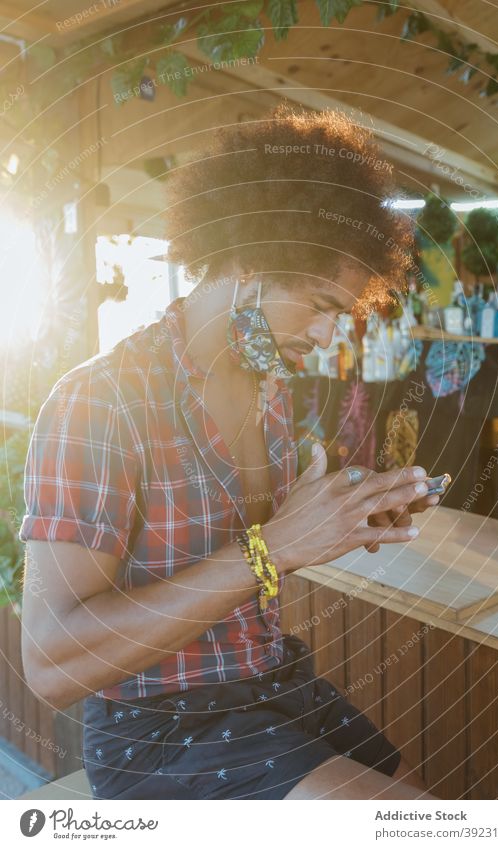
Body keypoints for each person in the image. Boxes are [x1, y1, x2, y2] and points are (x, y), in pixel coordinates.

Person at [19, 105, 439, 800]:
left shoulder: (268, 389)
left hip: (272, 682)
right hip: (156, 731)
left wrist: (343, 516)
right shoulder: (100, 401)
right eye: (319, 304)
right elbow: (52, 660)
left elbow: (258, 557)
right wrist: (269, 549)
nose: (331, 335)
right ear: (247, 263)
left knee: (427, 809)